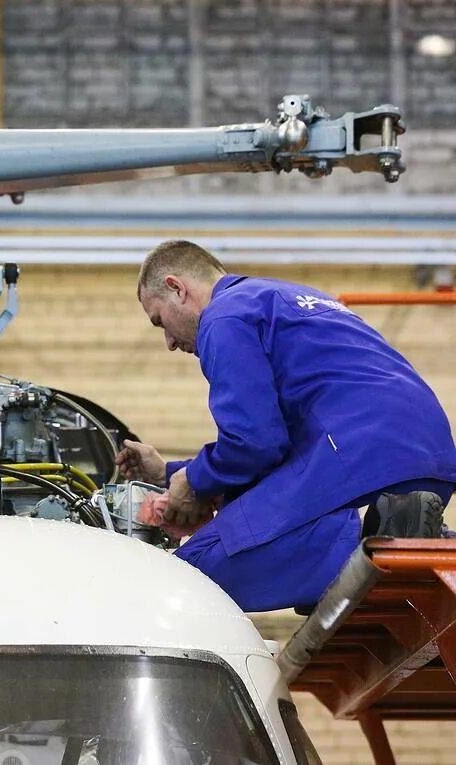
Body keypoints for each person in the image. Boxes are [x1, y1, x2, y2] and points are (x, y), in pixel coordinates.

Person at [117, 240, 456, 612]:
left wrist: (197, 482)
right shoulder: (286, 297)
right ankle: (407, 534)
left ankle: (370, 544)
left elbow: (254, 443)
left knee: (189, 573)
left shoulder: (224, 317)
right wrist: (171, 473)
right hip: (425, 457)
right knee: (253, 517)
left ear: (177, 288)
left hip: (361, 457)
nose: (168, 341)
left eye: (160, 321)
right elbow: (276, 446)